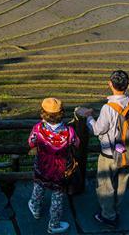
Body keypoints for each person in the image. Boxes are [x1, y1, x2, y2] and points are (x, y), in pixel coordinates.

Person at [75, 70, 129, 228]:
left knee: (105, 185)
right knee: (121, 183)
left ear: (110, 84)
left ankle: (108, 216)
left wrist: (89, 117)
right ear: (127, 85)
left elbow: (97, 129)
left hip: (109, 154)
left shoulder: (108, 108)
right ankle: (116, 209)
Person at [27, 97, 78, 234]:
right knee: (57, 196)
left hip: (42, 166)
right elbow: (76, 143)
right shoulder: (69, 131)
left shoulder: (38, 129)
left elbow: (31, 143)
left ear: (43, 113)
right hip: (60, 170)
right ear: (61, 113)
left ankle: (35, 207)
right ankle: (54, 224)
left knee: (39, 186)